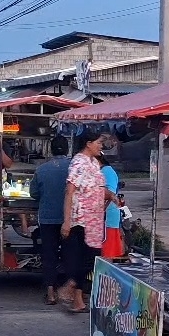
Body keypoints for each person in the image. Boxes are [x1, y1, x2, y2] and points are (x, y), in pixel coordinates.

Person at [61, 131, 114, 313]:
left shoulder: (94, 163)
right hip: (81, 219)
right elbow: (70, 192)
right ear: (89, 143)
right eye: (99, 143)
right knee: (85, 258)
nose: (101, 146)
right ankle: (72, 288)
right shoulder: (78, 163)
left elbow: (96, 187)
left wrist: (110, 195)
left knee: (91, 257)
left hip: (95, 219)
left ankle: (76, 296)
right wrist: (67, 221)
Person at [31, 135, 72, 305]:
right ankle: (69, 290)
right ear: (68, 149)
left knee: (49, 255)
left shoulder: (41, 169)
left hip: (47, 219)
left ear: (50, 150)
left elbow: (34, 194)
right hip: (68, 219)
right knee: (70, 254)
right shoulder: (73, 168)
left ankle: (50, 293)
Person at [98, 154, 124, 259]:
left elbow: (110, 195)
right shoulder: (99, 172)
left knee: (107, 255)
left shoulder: (107, 172)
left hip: (107, 220)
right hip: (102, 220)